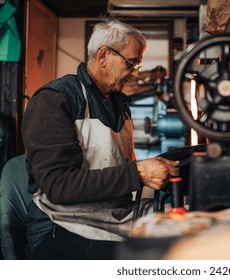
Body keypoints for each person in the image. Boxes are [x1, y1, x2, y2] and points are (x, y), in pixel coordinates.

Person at [21, 19, 180, 260]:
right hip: (59, 225)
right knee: (158, 258)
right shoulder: (54, 101)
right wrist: (137, 174)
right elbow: (57, 185)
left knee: (183, 237)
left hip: (109, 217)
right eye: (131, 63)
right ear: (104, 55)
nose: (135, 72)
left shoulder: (117, 103)